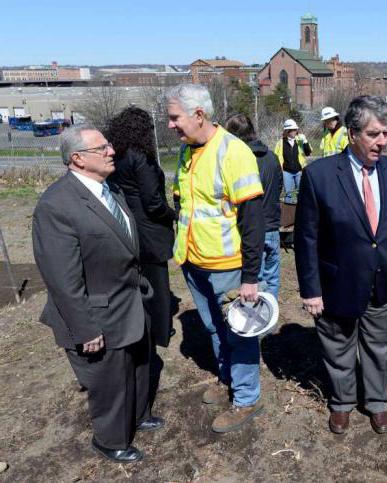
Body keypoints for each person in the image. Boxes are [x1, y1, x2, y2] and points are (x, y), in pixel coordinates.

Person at [32, 125, 162, 463]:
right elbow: (62, 278)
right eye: (101, 148)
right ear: (77, 159)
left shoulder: (109, 189)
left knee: (136, 364)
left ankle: (138, 414)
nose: (111, 152)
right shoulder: (56, 205)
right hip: (96, 312)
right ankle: (110, 439)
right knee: (109, 380)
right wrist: (85, 328)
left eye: (109, 146)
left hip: (129, 300)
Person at [295, 96, 387, 435]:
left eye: (386, 134)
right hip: (338, 285)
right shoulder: (320, 176)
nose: (383, 142)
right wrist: (312, 290)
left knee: (379, 348)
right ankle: (342, 403)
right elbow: (306, 239)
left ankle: (376, 402)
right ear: (352, 133)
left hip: (386, 281)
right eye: (374, 134)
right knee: (339, 347)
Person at [166, 84, 266, 433]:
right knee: (212, 326)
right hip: (193, 261)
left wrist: (250, 276)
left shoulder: (233, 151)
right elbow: (183, 203)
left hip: (228, 267)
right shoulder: (187, 151)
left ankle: (247, 398)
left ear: (198, 114)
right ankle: (227, 379)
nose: (170, 125)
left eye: (174, 117)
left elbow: (253, 219)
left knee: (239, 333)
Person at [106, 107, 177, 410]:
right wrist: (173, 214)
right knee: (158, 283)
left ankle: (143, 323)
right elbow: (152, 200)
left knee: (140, 280)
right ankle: (159, 331)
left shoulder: (117, 155)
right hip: (149, 229)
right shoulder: (142, 157)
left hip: (128, 226)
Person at [226, 113, 283, 299]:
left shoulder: (239, 160)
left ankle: (258, 319)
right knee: (272, 277)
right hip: (273, 225)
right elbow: (279, 186)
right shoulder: (273, 158)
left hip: (252, 230)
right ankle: (270, 314)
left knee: (253, 280)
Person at [273, 119, 312, 203]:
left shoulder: (300, 140)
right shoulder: (280, 143)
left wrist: (305, 142)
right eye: (293, 130)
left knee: (301, 192)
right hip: (286, 172)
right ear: (287, 131)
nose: (295, 131)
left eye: (295, 129)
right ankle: (288, 214)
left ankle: (301, 212)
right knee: (288, 194)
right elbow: (275, 157)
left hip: (299, 171)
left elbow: (308, 152)